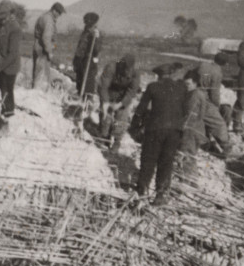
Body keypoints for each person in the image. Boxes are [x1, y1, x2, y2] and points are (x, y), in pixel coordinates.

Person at [132, 63, 187, 206]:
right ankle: (161, 194)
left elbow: (141, 109)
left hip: (155, 129)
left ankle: (142, 191)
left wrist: (134, 127)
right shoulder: (181, 88)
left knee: (148, 160)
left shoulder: (153, 87)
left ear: (158, 75)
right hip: (174, 131)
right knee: (166, 162)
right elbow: (184, 111)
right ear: (172, 74)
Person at [98, 53, 140, 152]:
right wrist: (105, 102)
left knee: (121, 118)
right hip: (110, 92)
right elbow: (103, 86)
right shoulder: (111, 67)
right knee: (105, 116)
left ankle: (117, 141)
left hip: (123, 97)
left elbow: (131, 92)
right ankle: (104, 138)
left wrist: (121, 104)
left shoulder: (135, 73)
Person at [195, 54, 233, 153]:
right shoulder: (217, 73)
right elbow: (214, 93)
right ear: (225, 64)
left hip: (194, 93)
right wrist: (216, 105)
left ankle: (206, 140)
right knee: (219, 124)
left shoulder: (203, 65)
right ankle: (226, 148)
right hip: (204, 97)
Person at [32, 2, 66, 91]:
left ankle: (37, 91)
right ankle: (38, 93)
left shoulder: (45, 17)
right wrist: (49, 52)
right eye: (59, 13)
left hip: (40, 47)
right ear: (54, 10)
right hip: (42, 49)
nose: (59, 15)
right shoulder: (49, 20)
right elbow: (46, 37)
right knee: (41, 73)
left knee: (39, 71)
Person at [72, 12, 102, 99]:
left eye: (88, 22)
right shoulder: (85, 32)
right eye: (85, 21)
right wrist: (76, 61)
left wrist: (96, 38)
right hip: (80, 60)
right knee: (80, 82)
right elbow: (80, 47)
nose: (86, 23)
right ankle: (80, 99)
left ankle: (86, 103)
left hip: (89, 61)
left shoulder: (95, 34)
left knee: (88, 84)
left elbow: (97, 50)